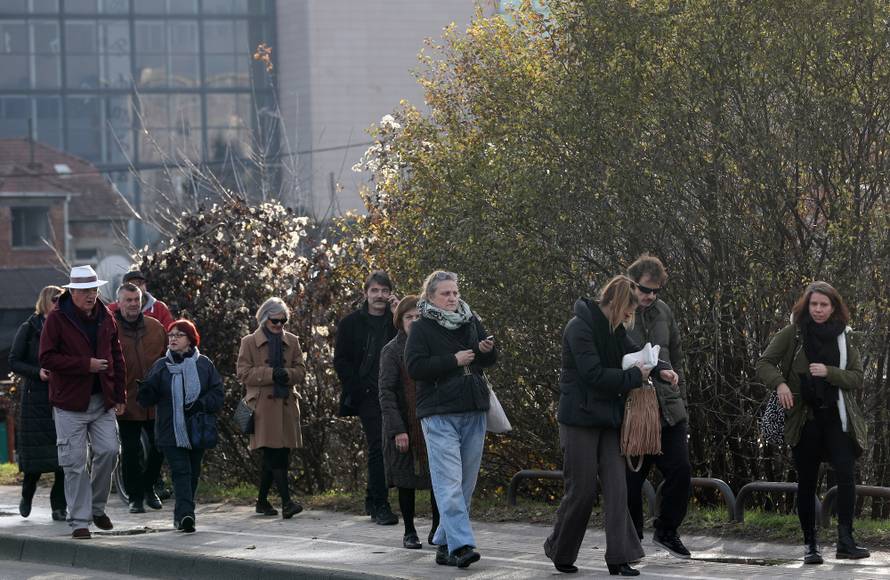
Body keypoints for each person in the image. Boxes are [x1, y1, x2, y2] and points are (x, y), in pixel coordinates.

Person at [756, 281, 869, 564]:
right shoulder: (792, 333)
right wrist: (780, 384)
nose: (818, 310)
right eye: (814, 304)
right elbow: (764, 363)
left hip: (837, 417)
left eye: (824, 305)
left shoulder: (845, 337)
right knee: (806, 481)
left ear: (834, 307)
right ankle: (810, 545)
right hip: (803, 418)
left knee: (846, 476)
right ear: (806, 305)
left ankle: (846, 541)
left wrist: (829, 372)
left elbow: (857, 377)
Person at [544, 275, 648, 576]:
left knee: (617, 487)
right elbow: (593, 374)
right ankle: (560, 549)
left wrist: (662, 368)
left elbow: (635, 353)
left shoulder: (614, 330)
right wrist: (633, 378)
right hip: (579, 419)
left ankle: (620, 556)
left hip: (608, 419)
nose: (631, 315)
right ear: (617, 304)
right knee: (583, 489)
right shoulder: (579, 328)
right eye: (629, 308)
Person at [405, 271, 496, 569]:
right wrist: (453, 361)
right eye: (446, 293)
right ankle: (461, 545)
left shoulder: (471, 319)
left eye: (455, 292)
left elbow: (490, 360)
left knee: (465, 483)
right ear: (430, 297)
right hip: (439, 412)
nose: (453, 298)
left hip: (473, 407)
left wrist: (486, 350)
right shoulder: (421, 327)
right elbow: (415, 367)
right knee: (448, 482)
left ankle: (444, 543)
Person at [39, 265, 126, 540]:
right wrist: (84, 365)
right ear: (73, 292)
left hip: (102, 401)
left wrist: (120, 394)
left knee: (109, 452)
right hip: (69, 404)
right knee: (75, 463)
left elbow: (117, 356)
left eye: (94, 289)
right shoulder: (56, 319)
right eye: (86, 290)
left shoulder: (106, 316)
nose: (91, 295)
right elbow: (47, 359)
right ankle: (79, 521)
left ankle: (97, 509)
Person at [623, 254, 692, 558]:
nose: (650, 296)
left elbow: (676, 353)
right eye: (644, 290)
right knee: (631, 480)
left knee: (681, 470)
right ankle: (631, 537)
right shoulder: (620, 313)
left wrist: (678, 392)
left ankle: (666, 530)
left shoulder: (664, 311)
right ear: (631, 284)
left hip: (667, 405)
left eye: (655, 291)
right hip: (633, 404)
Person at [138, 319, 224, 533]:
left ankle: (181, 515)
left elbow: (218, 395)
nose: (173, 339)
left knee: (193, 473)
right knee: (181, 471)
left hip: (197, 430)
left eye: (179, 335)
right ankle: (187, 515)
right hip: (170, 430)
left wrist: (200, 404)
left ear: (191, 340)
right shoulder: (161, 366)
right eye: (171, 335)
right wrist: (146, 392)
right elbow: (146, 400)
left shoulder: (204, 364)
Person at [334, 270, 400, 525]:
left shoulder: (397, 320)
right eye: (375, 290)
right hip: (368, 395)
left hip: (393, 393)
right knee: (378, 446)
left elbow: (411, 344)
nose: (380, 296)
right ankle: (381, 505)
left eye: (384, 291)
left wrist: (399, 314)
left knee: (389, 447)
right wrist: (359, 389)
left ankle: (372, 499)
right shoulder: (351, 323)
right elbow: (340, 360)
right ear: (366, 293)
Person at [378, 295, 440, 549]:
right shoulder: (392, 350)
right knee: (406, 480)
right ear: (400, 320)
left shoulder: (433, 346)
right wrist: (398, 430)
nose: (414, 321)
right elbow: (386, 392)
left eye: (418, 317)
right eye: (409, 317)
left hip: (433, 421)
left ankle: (438, 529)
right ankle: (409, 531)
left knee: (439, 477)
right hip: (402, 424)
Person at [236, 297, 306, 520]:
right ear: (264, 319)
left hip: (286, 405)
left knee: (279, 454)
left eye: (283, 322)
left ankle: (262, 501)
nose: (279, 326)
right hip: (262, 407)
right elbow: (243, 373)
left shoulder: (292, 341)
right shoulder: (248, 342)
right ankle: (287, 503)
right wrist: (269, 374)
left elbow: (301, 371)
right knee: (274, 454)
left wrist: (286, 374)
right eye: (275, 321)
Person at [9, 285, 66, 522]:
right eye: (54, 300)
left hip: (61, 396)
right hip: (35, 398)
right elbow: (14, 361)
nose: (58, 304)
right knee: (35, 459)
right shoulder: (29, 328)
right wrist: (37, 372)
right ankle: (27, 495)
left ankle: (59, 506)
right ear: (45, 302)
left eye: (61, 300)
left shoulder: (66, 327)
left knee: (63, 458)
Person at [114, 282, 167, 514]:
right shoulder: (111, 329)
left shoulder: (155, 327)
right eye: (129, 300)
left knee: (160, 447)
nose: (134, 304)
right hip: (126, 399)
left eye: (137, 300)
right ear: (120, 303)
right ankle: (135, 497)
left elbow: (168, 358)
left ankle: (148, 487)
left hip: (155, 399)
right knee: (131, 451)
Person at [108, 270, 174, 329]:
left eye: (140, 283)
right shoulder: (111, 309)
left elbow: (169, 332)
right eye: (131, 284)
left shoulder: (159, 308)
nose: (137, 286)